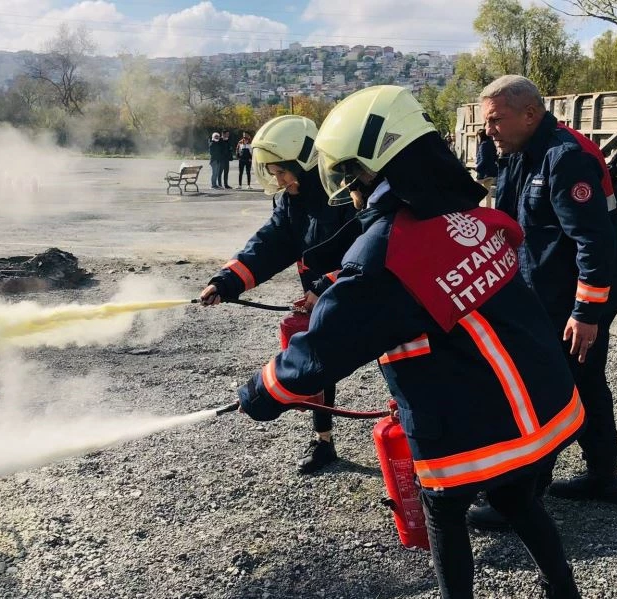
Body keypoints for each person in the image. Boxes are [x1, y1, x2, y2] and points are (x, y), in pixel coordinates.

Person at [238, 85, 583, 599]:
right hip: (534, 397)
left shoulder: (387, 253)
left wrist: (258, 394)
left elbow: (323, 350)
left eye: (352, 176)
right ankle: (562, 590)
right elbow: (417, 290)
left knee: (443, 507)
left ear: (376, 170)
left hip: (465, 413)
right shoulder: (462, 216)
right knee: (514, 497)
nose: (350, 190)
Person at [467, 75, 617, 530]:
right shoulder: (522, 154)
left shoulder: (565, 157)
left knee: (548, 387)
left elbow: (594, 242)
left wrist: (586, 313)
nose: (489, 130)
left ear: (529, 114)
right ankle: (604, 478)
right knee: (584, 383)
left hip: (580, 297)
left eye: (495, 120)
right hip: (553, 294)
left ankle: (525, 497)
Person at [199, 115, 356, 473]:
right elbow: (270, 244)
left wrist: (327, 284)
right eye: (273, 173)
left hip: (365, 294)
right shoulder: (292, 201)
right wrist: (226, 281)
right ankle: (324, 442)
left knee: (398, 369)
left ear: (305, 163)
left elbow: (369, 251)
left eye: (283, 172)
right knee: (318, 364)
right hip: (322, 295)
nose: (279, 181)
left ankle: (420, 449)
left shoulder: (346, 194)